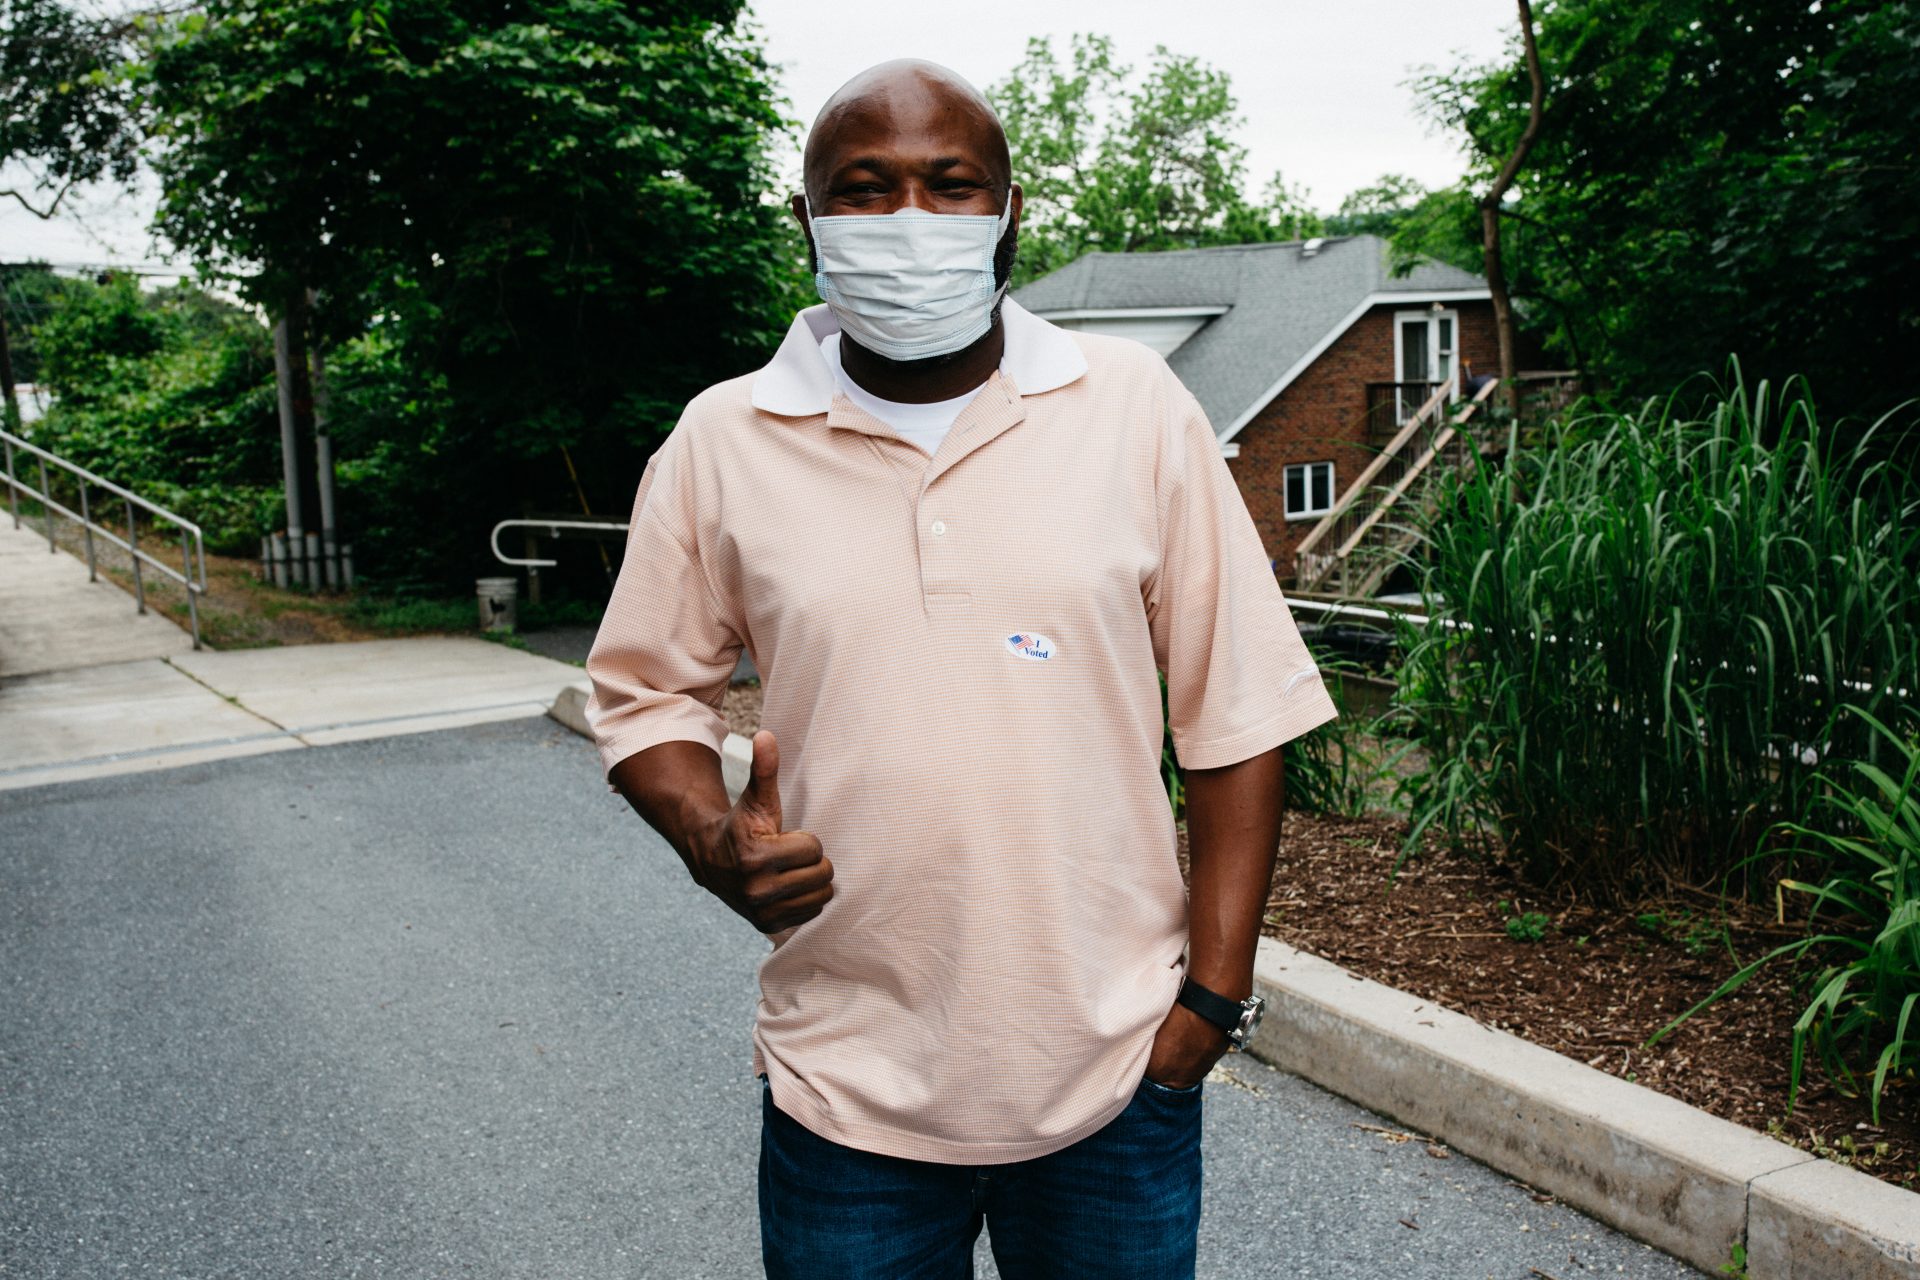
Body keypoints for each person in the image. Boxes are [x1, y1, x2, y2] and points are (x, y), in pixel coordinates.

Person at [583, 58, 1337, 1280]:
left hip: (1115, 1071)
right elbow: (641, 692)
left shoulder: (1132, 407)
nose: (910, 222)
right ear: (809, 219)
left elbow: (1238, 712)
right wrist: (707, 834)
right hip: (847, 1083)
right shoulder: (724, 437)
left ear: (1008, 212)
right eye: (865, 189)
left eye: (950, 184)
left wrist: (1212, 997)